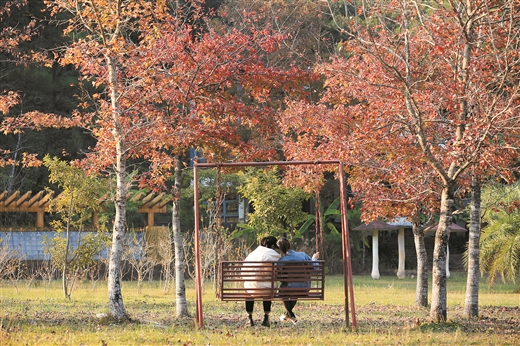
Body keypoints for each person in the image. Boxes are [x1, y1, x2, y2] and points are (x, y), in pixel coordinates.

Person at [276, 237, 319, 324]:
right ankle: (289, 314)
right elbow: (316, 268)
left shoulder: (282, 260)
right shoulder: (303, 255)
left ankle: (290, 314)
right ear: (290, 245)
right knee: (295, 287)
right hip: (304, 288)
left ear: (280, 249)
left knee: (283, 290)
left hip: (290, 288)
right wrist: (314, 258)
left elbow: (277, 275)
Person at [243, 236, 281, 327]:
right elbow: (279, 273)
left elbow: (244, 271)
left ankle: (249, 318)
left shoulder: (252, 254)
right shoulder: (275, 255)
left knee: (248, 289)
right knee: (268, 286)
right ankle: (266, 318)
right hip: (268, 289)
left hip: (251, 289)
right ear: (272, 246)